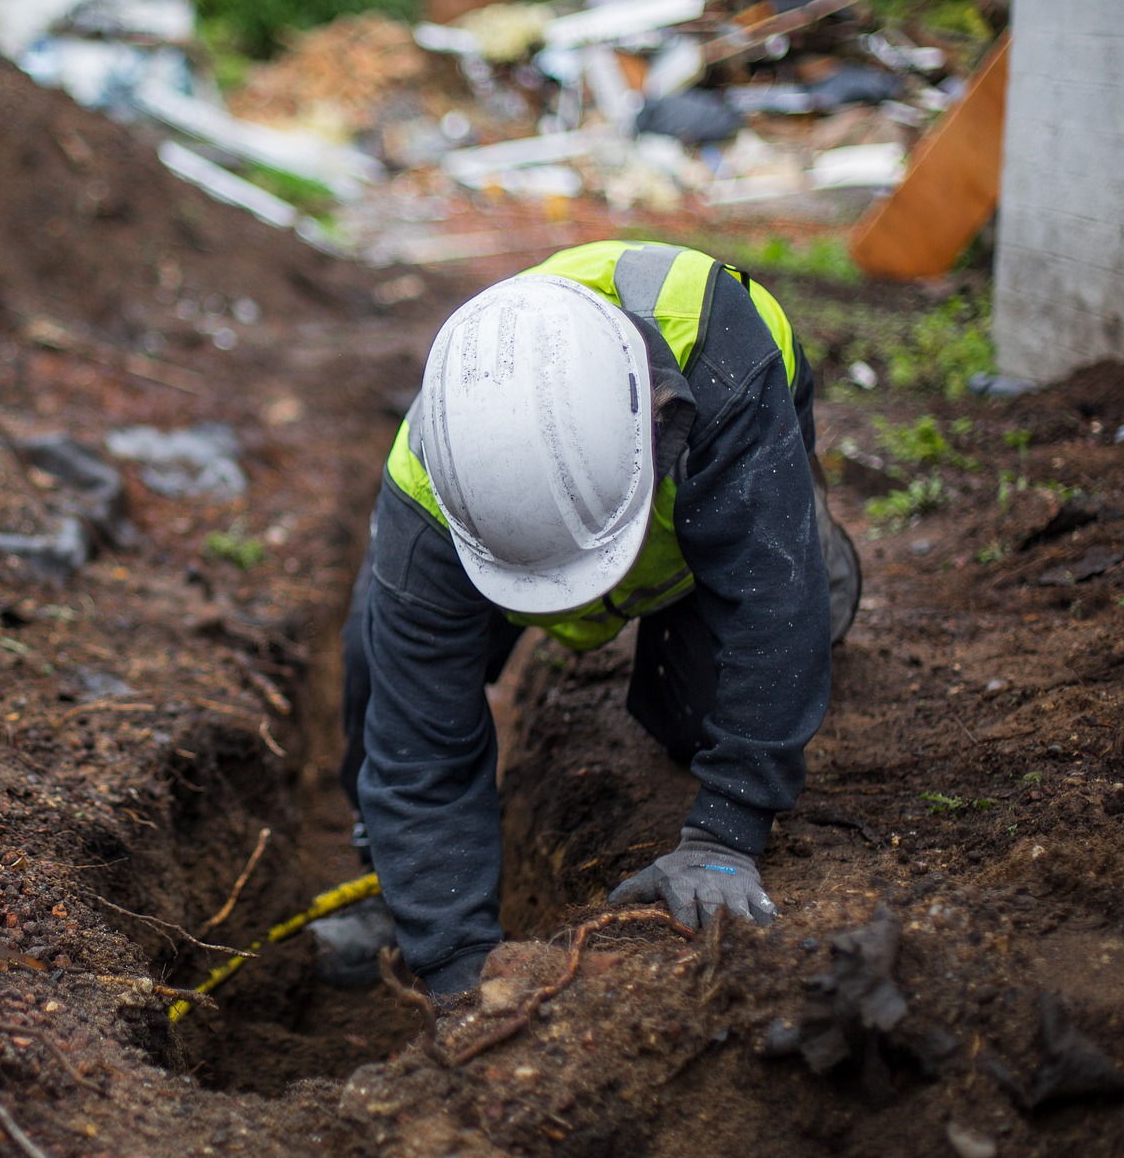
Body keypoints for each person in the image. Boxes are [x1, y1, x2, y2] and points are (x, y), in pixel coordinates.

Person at [327, 240, 860, 997]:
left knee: (743, 663)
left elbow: (769, 606)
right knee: (373, 662)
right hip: (524, 524)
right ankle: (389, 879)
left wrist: (724, 832)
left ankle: (818, 547)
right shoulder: (434, 483)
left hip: (714, 496)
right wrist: (457, 973)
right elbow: (420, 749)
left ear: (664, 428)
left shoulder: (719, 357)